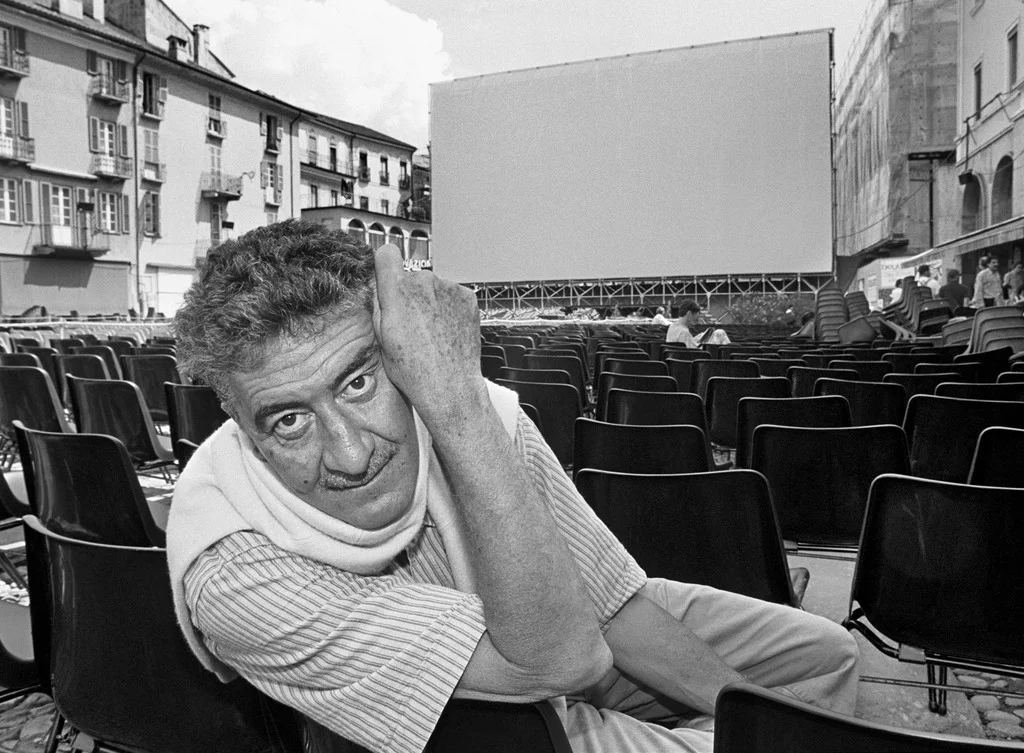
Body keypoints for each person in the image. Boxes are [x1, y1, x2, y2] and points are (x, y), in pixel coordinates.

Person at [166, 221, 858, 753]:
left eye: (358, 381)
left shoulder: (475, 411)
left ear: (405, 355)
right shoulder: (233, 573)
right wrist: (457, 410)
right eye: (289, 420)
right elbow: (563, 660)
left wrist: (748, 718)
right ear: (240, 427)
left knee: (821, 660)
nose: (349, 454)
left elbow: (609, 604)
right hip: (473, 732)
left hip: (548, 650)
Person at [666, 300, 731, 346]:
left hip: (678, 361)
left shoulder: (671, 327)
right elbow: (694, 352)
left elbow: (683, 344)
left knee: (702, 335)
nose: (695, 322)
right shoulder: (684, 332)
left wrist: (697, 338)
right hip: (694, 361)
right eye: (694, 318)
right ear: (689, 314)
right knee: (720, 333)